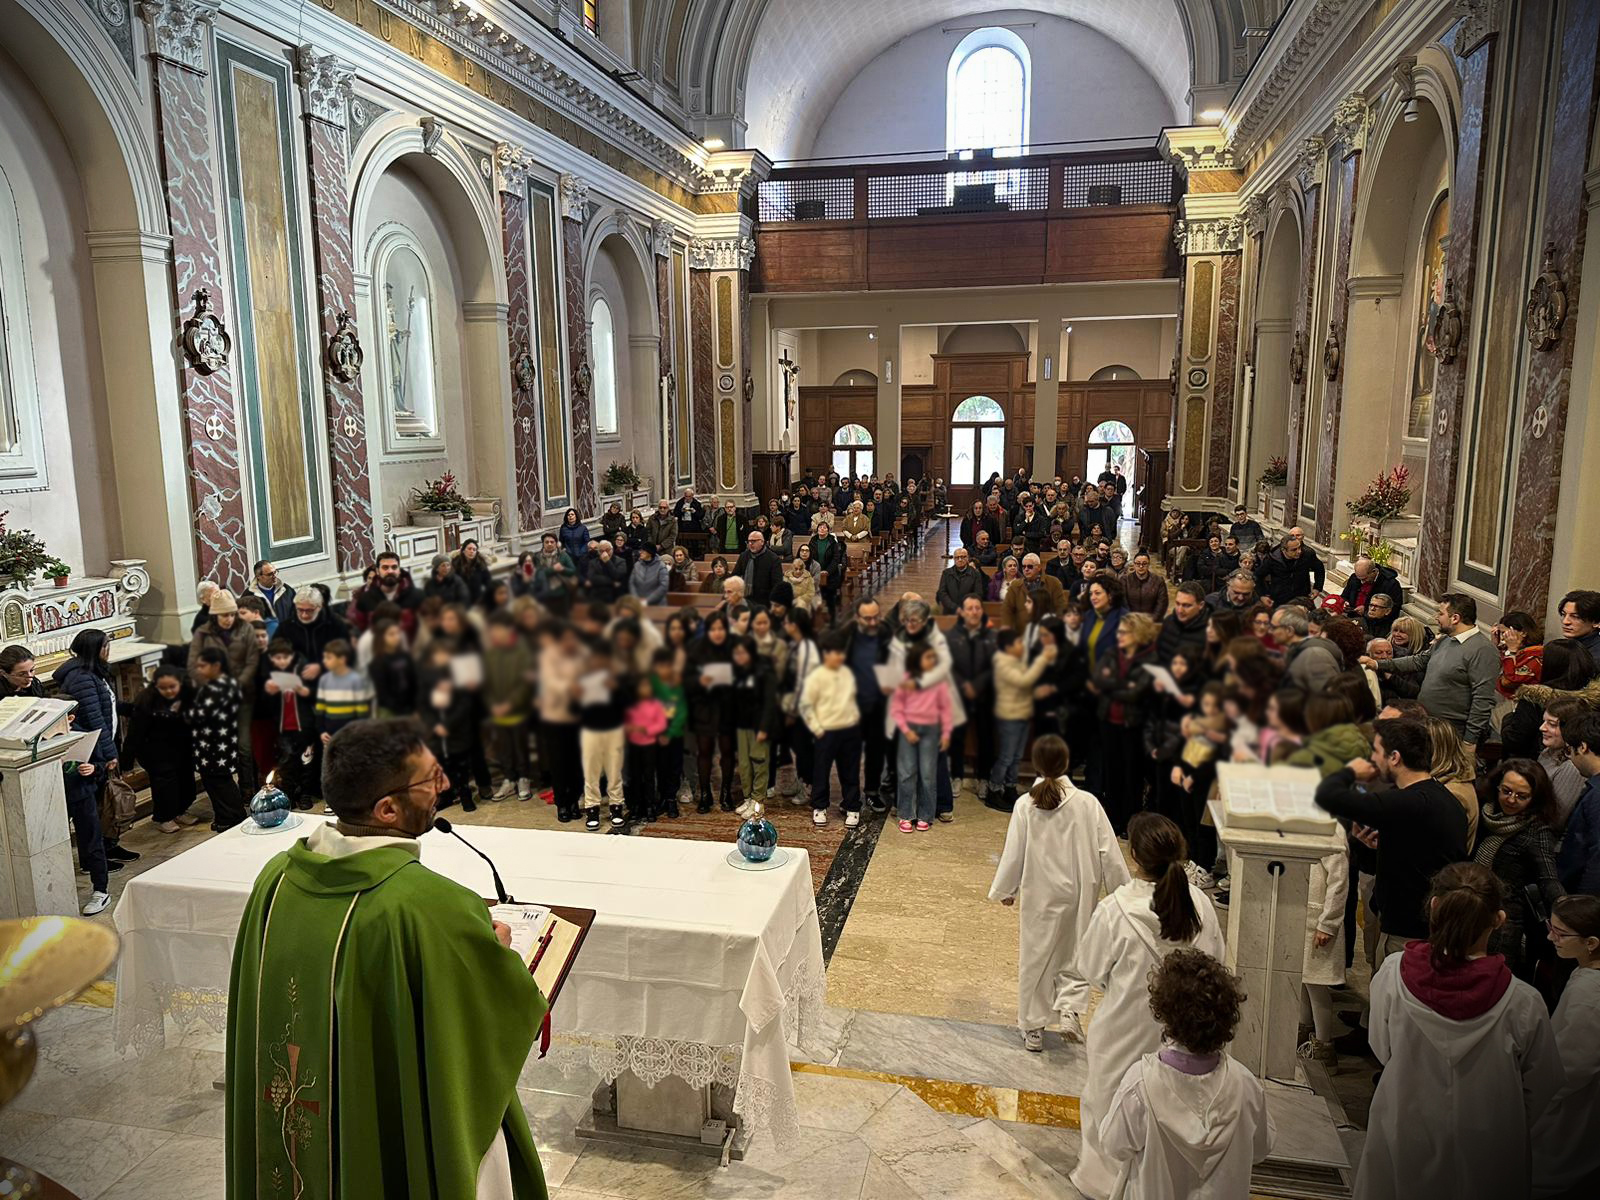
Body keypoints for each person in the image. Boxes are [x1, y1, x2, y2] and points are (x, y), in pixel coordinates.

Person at [226, 719, 550, 1199]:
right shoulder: (428, 905)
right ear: (386, 809)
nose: (443, 786)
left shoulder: (274, 880)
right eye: (431, 779)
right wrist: (496, 955)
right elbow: (485, 1020)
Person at [1360, 863, 1562, 1200]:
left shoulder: (1394, 974)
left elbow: (1381, 1048)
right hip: (1489, 1142)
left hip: (1405, 1126)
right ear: (1499, 920)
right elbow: (1543, 1086)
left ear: (1434, 906)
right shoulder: (1523, 1002)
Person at [1072, 813, 1226, 1200]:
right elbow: (1216, 963)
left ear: (1135, 859)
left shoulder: (1115, 909)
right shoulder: (1200, 905)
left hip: (1123, 1026)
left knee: (1107, 1108)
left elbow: (1090, 968)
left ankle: (1103, 1185)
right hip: (1180, 1032)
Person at [989, 736, 1128, 1050]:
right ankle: (1069, 1011)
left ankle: (1034, 1028)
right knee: (1075, 952)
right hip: (1078, 893)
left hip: (1039, 895)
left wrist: (1007, 888)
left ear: (1035, 765)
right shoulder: (1088, 803)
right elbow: (1108, 850)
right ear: (1067, 764)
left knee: (1036, 959)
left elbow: (1015, 852)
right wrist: (1123, 891)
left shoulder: (1025, 805)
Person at [1100, 949, 1274, 1198]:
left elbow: (1113, 1145)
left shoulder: (1141, 1085)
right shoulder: (1245, 1085)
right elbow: (1261, 1148)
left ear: (1164, 1013)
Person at [1314, 717, 1469, 967]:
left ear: (1394, 757)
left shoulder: (1409, 803)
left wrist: (1350, 771)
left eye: (1375, 751)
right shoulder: (1438, 797)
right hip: (1417, 925)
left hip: (1410, 933)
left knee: (1392, 1001)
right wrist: (1379, 846)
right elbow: (1420, 855)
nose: (1372, 759)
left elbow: (1328, 795)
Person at [1530, 894, 1600, 1197]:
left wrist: (1535, 1098)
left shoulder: (1590, 996)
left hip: (1572, 1108)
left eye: (1560, 933)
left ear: (1592, 942)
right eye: (1551, 926)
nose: (1550, 937)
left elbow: (1574, 1065)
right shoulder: (1585, 972)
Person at [1365, 593, 1500, 748]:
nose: (1436, 617)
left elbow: (1482, 699)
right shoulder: (1445, 640)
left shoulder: (1483, 650)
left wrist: (1470, 742)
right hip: (1427, 723)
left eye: (1441, 613)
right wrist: (1377, 664)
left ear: (1455, 618)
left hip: (1451, 732)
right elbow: (1419, 661)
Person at [1476, 758, 1565, 980]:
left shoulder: (1537, 830)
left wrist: (1569, 912)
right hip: (1473, 912)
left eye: (1521, 796)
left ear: (1535, 799)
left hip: (1505, 924)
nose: (1511, 800)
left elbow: (1549, 880)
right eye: (1506, 791)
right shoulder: (1486, 813)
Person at [55, 630, 121, 913]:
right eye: (106, 646)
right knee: (88, 827)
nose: (109, 650)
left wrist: (96, 762)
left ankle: (100, 881)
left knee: (91, 826)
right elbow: (95, 718)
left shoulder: (92, 672)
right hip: (78, 774)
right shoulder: (82, 678)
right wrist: (107, 756)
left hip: (87, 770)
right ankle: (93, 868)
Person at [123, 666, 198, 833]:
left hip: (181, 748)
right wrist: (126, 762)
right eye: (164, 688)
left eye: (172, 687)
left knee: (186, 782)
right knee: (165, 785)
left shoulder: (186, 697)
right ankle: (164, 817)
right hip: (155, 751)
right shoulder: (146, 701)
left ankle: (181, 810)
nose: (169, 691)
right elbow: (135, 733)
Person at [986, 629, 1056, 807]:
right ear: (1008, 647)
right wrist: (1042, 659)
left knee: (1016, 757)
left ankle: (1010, 787)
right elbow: (1022, 681)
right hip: (1009, 715)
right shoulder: (1001, 662)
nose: (1022, 646)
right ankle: (993, 791)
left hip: (1023, 713)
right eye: (1018, 643)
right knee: (1006, 757)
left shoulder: (1018, 660)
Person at [800, 631, 862, 827]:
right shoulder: (816, 676)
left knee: (850, 771)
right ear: (826, 654)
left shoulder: (847, 673)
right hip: (826, 731)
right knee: (821, 771)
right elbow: (806, 705)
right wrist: (816, 728)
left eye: (842, 653)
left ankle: (852, 806)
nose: (840, 657)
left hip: (849, 730)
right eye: (836, 653)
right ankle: (819, 806)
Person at [890, 643, 953, 832]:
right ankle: (906, 814)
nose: (932, 661)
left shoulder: (939, 682)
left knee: (928, 774)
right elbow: (897, 708)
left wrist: (946, 733)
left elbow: (946, 709)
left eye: (933, 657)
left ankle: (926, 814)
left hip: (931, 731)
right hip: (908, 729)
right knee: (906, 773)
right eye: (928, 657)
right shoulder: (906, 680)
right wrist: (906, 729)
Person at [190, 645, 245, 831]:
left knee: (221, 782)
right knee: (212, 783)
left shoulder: (222, 686)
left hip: (217, 743)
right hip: (209, 744)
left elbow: (207, 715)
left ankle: (232, 816)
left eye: (203, 666)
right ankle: (223, 815)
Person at [1557, 709, 1600, 895]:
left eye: (1569, 750)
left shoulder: (1597, 796)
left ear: (1582, 747)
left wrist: (1582, 907)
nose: (1571, 758)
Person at [1273, 604, 1343, 691]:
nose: (1309, 636)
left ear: (1325, 633)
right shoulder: (1296, 648)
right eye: (1308, 631)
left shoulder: (1320, 657)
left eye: (1314, 632)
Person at [732, 528, 782, 607]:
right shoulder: (744, 556)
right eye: (749, 541)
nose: (750, 544)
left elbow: (777, 584)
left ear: (762, 542)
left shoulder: (773, 559)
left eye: (754, 541)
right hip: (744, 599)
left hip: (764, 601)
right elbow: (735, 576)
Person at [935, 546, 986, 614]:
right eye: (957, 557)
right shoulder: (946, 573)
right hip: (949, 611)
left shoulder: (975, 573)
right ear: (954, 559)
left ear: (967, 558)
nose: (960, 559)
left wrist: (966, 607)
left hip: (969, 611)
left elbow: (978, 593)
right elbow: (942, 592)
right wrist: (954, 607)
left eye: (963, 557)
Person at [1558, 588, 1600, 661]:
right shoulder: (1570, 646)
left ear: (1597, 622)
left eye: (1575, 617)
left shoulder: (1594, 657)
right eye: (1563, 614)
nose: (1565, 621)